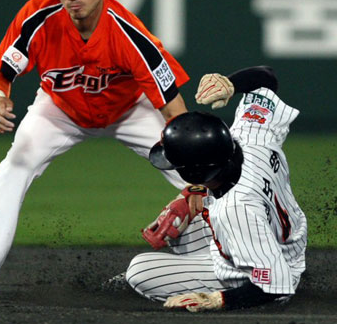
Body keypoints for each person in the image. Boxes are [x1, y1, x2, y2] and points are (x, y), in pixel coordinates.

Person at [0, 0, 190, 299]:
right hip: (59, 109)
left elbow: (173, 107)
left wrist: (194, 172)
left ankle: (237, 259)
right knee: (14, 166)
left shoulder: (129, 33)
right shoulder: (38, 16)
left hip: (129, 111)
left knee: (196, 170)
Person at [124, 66, 307, 311]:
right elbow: (265, 80)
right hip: (278, 230)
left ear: (194, 172)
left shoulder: (236, 211)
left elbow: (276, 285)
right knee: (179, 233)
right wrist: (230, 85)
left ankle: (231, 279)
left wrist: (217, 300)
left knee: (140, 271)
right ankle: (209, 264)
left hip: (275, 264)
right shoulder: (251, 135)